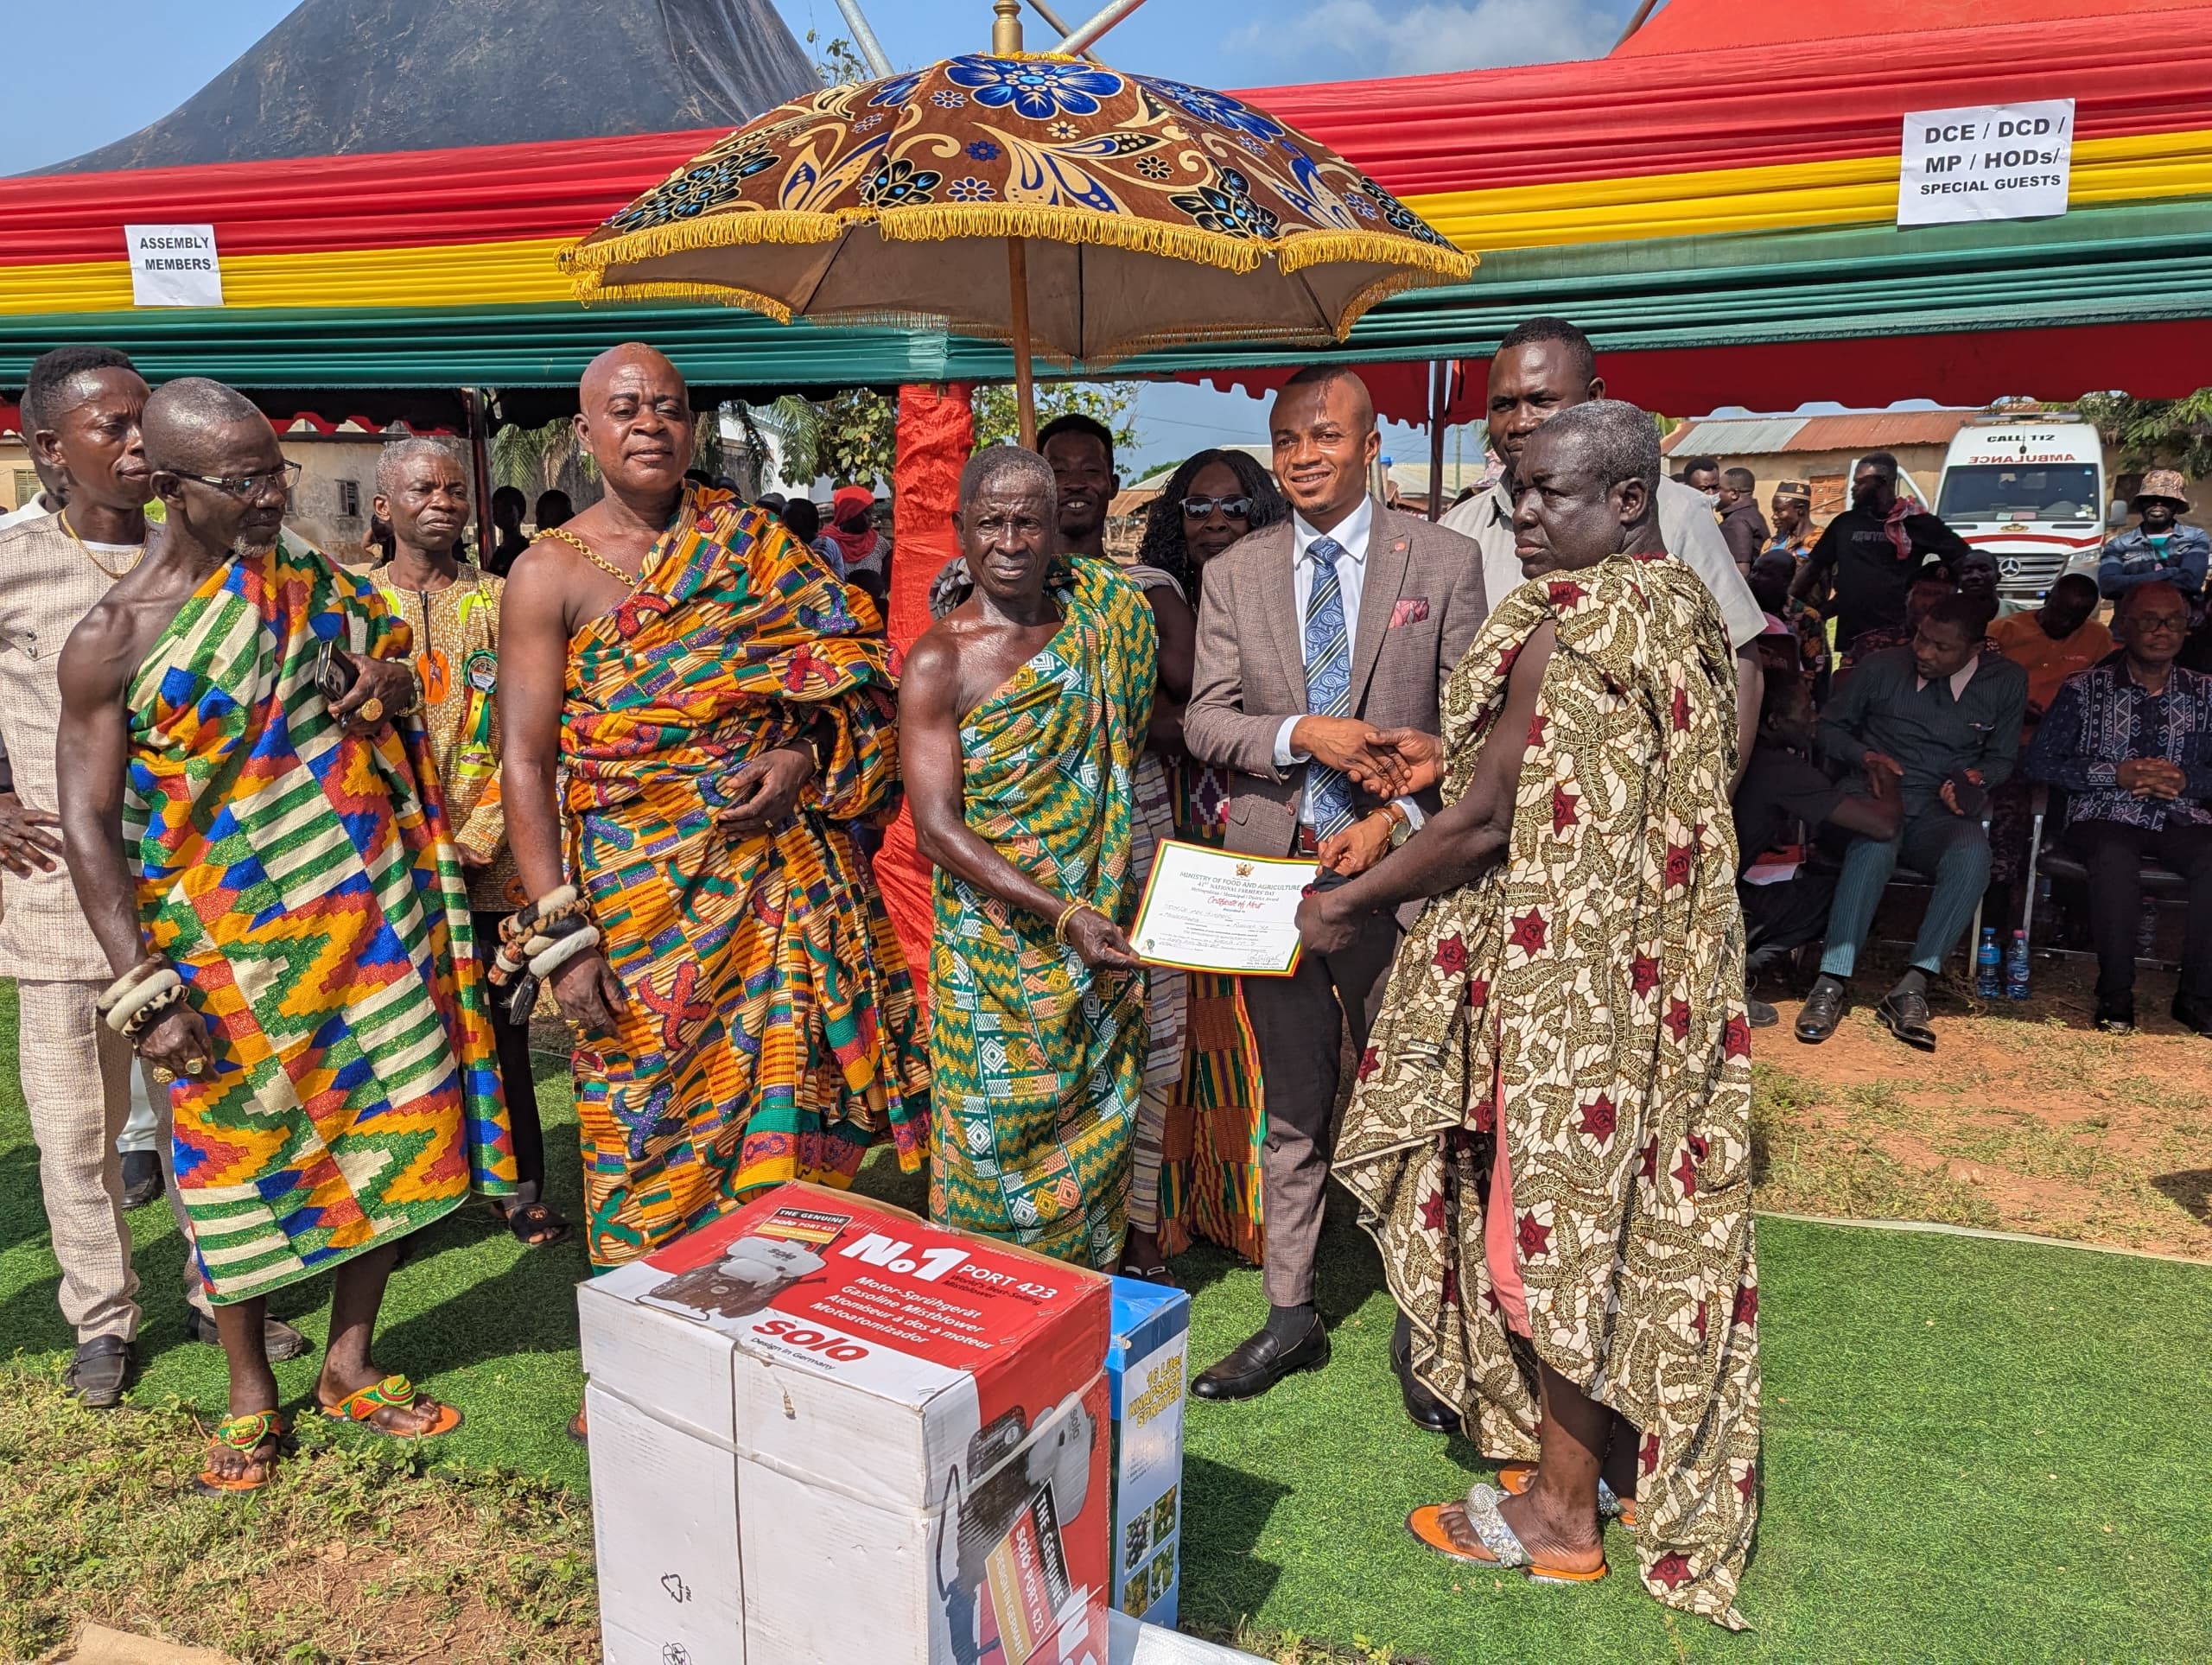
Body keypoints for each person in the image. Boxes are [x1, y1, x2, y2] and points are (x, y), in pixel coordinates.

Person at [1312, 402, 1759, 1627]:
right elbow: (1551, 778)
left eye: (1550, 494)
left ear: (1628, 501)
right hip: (1654, 980)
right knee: (1614, 1218)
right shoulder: (1682, 613)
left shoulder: (1582, 627)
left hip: (1569, 991)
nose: (1524, 515)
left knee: (1544, 1235)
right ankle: (1596, 1458)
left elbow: (1488, 823)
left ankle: (1562, 1514)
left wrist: (1348, 903)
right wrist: (1444, 763)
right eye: (1515, 493)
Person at [55, 378, 512, 1491]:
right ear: (168, 488)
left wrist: (379, 680)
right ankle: (252, 1392)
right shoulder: (110, 642)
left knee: (395, 1128)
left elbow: (397, 673)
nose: (272, 496)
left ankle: (350, 1364)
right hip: (224, 953)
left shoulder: (307, 580)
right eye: (246, 480)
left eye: (278, 474)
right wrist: (141, 988)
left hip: (365, 919)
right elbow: (85, 827)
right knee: (233, 1169)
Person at [499, 343, 929, 1285]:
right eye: (624, 408)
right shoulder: (547, 575)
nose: (649, 423)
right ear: (585, 432)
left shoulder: (758, 545)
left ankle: (763, 1318)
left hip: (771, 884)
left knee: (789, 1095)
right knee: (639, 1118)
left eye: (668, 406)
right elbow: (524, 762)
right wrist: (561, 940)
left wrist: (802, 758)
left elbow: (855, 678)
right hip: (635, 898)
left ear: (691, 423)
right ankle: (638, 1349)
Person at [3, 348, 313, 1407]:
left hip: (203, 892)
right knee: (77, 1130)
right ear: (51, 449)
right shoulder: (12, 560)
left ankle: (224, 1284)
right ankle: (101, 1316)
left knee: (216, 1109)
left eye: (148, 424)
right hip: (57, 898)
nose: (141, 444)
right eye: (112, 428)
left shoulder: (225, 554)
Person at [1182, 365, 1487, 1415]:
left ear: (1370, 446)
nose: (1304, 455)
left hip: (1395, 882)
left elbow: (1475, 735)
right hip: (1270, 876)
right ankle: (1289, 1314)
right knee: (1295, 1102)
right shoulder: (1238, 571)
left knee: (1409, 1107)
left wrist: (1395, 821)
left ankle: (1424, 1328)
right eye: (1286, 439)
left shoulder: (1444, 561)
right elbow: (1204, 722)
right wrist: (1299, 734)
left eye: (1325, 435)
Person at [901, 445, 1157, 1266]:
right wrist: (1064, 912)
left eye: (1028, 520)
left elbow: (1136, 727)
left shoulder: (1104, 628)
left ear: (1058, 531)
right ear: (961, 530)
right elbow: (937, 830)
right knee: (989, 1161)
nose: (1009, 539)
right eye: (990, 521)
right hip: (994, 959)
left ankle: (1082, 1320)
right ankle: (983, 1333)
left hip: (1098, 951)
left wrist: (1088, 913)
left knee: (1095, 1141)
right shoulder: (940, 660)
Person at [368, 439, 568, 1249]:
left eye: (454, 487)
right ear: (385, 507)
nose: (443, 500)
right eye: (422, 488)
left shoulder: (504, 598)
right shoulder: (352, 603)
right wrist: (405, 847)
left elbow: (534, 734)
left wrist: (479, 838)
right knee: (399, 1036)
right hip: (385, 865)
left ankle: (520, 1189)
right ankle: (413, 1199)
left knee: (503, 1025)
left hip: (492, 866)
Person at [1438, 318, 1767, 772]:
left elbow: (1739, 668)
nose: (1520, 422)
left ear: (1594, 398)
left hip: (1640, 824)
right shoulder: (1459, 530)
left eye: (1541, 400)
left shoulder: (1672, 512)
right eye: (1502, 405)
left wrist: (1709, 810)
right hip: (1497, 815)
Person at [1040, 410, 1198, 1284]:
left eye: (1087, 466)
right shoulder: (976, 583)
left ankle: (1141, 1226)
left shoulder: (1147, 589)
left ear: (1110, 481)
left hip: (1140, 827)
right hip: (1038, 843)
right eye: (1052, 465)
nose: (1072, 480)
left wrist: (1113, 718)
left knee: (1158, 1032)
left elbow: (1192, 706)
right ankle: (1065, 1228)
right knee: (1057, 1032)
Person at [1128, 448, 1288, 1268]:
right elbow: (1168, 717)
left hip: (1256, 829)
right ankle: (1175, 1208)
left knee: (1251, 1032)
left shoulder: (1282, 598)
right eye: (1197, 506)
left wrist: (1187, 720)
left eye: (1236, 505)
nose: (1216, 520)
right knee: (1178, 1033)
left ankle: (1252, 1216)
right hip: (1173, 832)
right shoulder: (1147, 597)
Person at [1795, 595, 2029, 1051]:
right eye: (1922, 637)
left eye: (1942, 647)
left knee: (1972, 854)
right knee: (1876, 843)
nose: (1924, 652)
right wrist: (1865, 756)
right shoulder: (1882, 668)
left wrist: (1974, 778)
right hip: (1873, 796)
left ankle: (1915, 984)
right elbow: (1827, 727)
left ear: (1976, 648)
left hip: (1938, 811)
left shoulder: (2005, 682)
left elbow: (2002, 759)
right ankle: (1831, 981)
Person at [2023, 581, 2212, 1034]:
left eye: (2174, 621)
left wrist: (2189, 779)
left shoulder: (2207, 693)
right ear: (2122, 627)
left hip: (2181, 814)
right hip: (2101, 814)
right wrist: (2115, 774)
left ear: (2188, 630)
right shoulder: (2085, 689)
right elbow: (2040, 762)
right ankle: (2115, 996)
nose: (2161, 631)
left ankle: (2197, 998)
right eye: (2148, 620)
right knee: (2113, 858)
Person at [1734, 672, 1903, 1022]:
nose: (1816, 717)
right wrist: (1888, 778)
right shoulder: (1781, 770)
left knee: (1811, 891)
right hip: (1722, 899)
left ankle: (1734, 960)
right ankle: (1731, 974)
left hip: (1711, 884)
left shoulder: (1742, 754)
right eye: (1807, 709)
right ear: (1774, 721)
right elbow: (1883, 826)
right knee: (1837, 898)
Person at [1790, 453, 1970, 659]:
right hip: (1853, 637)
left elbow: (1963, 558)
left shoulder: (1917, 523)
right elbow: (1814, 567)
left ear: (1883, 482)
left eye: (1860, 483)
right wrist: (1788, 602)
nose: (1853, 489)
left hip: (1902, 636)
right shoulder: (1845, 524)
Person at [1990, 573, 2113, 725]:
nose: (2065, 623)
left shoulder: (2098, 636)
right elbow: (1980, 686)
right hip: (2005, 728)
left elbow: (2103, 689)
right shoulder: (2001, 631)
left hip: (2065, 730)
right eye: (2060, 613)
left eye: (2076, 619)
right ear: (2047, 599)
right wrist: (2014, 707)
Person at [2099, 471, 2208, 606]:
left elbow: (2191, 581)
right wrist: (2167, 573)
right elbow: (2108, 586)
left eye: (2167, 500)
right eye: (2151, 498)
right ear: (2141, 504)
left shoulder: (2195, 538)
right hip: (2132, 624)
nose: (2158, 504)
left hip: (2181, 623)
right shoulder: (2118, 544)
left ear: (2176, 506)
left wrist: (2132, 583)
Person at [1715, 467, 1769, 575]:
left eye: (1719, 488)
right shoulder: (1752, 514)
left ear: (1734, 494)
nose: (1716, 494)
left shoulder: (1736, 522)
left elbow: (1741, 571)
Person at [828, 484, 887, 581]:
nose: (871, 518)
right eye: (867, 513)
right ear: (850, 513)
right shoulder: (826, 544)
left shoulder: (878, 542)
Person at [779, 495, 843, 577]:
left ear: (800, 520)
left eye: (785, 518)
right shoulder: (796, 548)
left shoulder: (825, 543)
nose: (782, 524)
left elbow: (814, 568)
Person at [1764, 480, 1817, 560]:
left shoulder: (1823, 542)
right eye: (1773, 511)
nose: (1774, 517)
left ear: (1800, 509)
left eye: (1779, 511)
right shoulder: (1771, 544)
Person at [485, 485, 530, 576]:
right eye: (496, 509)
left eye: (506, 509)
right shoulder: (499, 554)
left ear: (521, 511)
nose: (500, 514)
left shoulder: (526, 551)